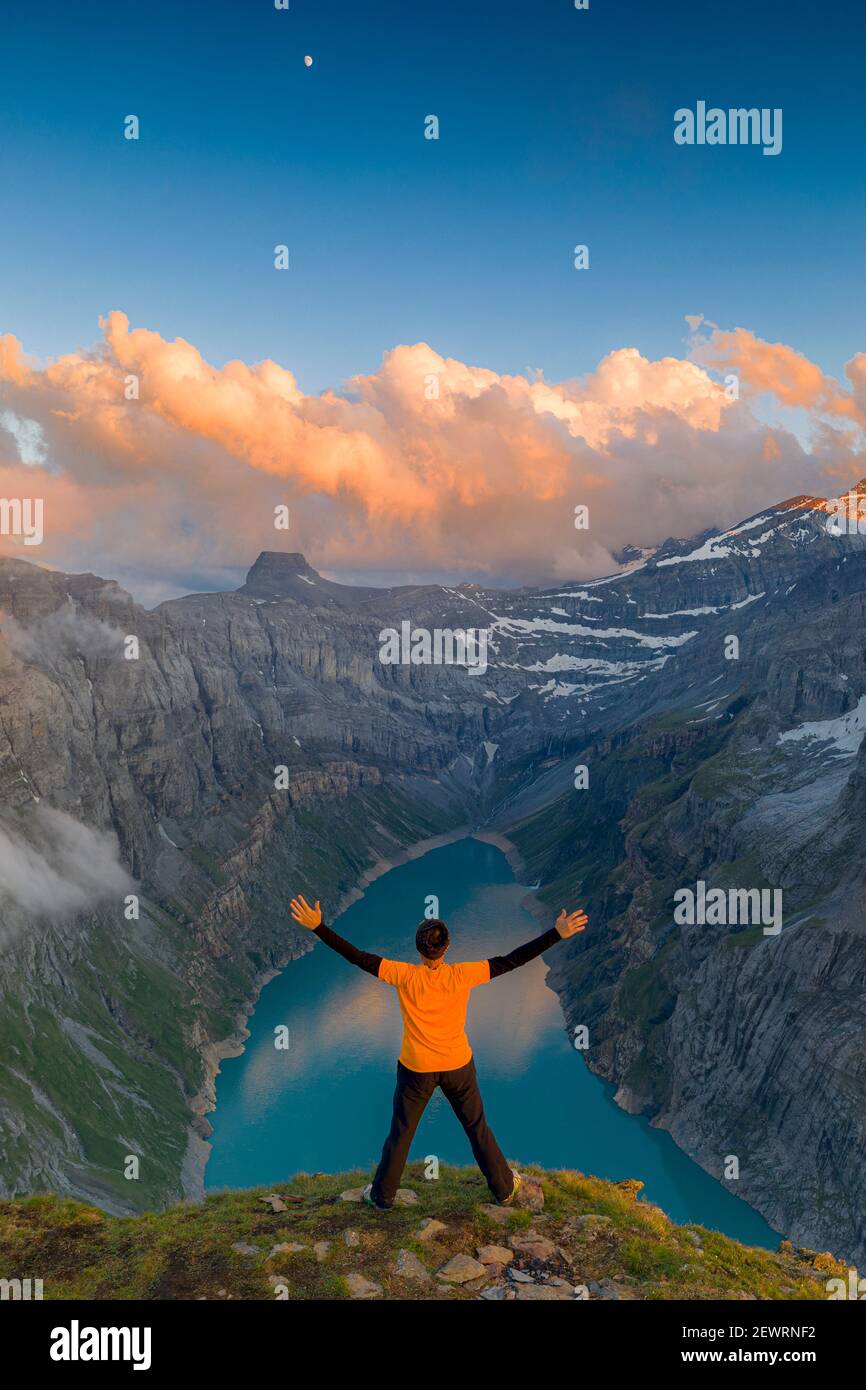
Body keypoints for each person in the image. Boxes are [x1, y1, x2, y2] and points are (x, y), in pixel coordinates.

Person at [289, 892, 588, 1210]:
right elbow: (512, 960)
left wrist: (318, 927)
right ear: (446, 948)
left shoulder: (403, 975)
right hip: (458, 1065)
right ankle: (503, 1189)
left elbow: (356, 956)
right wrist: (557, 933)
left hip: (416, 1069)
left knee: (401, 1133)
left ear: (420, 950)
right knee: (476, 1127)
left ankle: (383, 1196)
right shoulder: (462, 975)